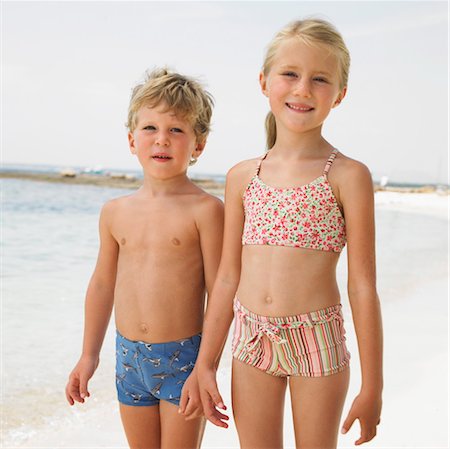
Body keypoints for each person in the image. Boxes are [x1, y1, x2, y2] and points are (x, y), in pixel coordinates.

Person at [184, 18, 383, 448]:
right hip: (251, 340)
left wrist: (373, 386)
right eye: (290, 74)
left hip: (317, 337)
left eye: (320, 79)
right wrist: (206, 363)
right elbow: (226, 278)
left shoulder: (348, 176)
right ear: (264, 82)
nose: (302, 89)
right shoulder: (242, 176)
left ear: (340, 94)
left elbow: (363, 285)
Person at [65, 68, 224, 449]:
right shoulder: (115, 211)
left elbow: (221, 292)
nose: (162, 140)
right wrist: (89, 355)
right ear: (132, 140)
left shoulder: (206, 211)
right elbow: (103, 284)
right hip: (128, 358)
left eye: (177, 130)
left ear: (198, 145)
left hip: (184, 359)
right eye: (150, 128)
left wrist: (207, 366)